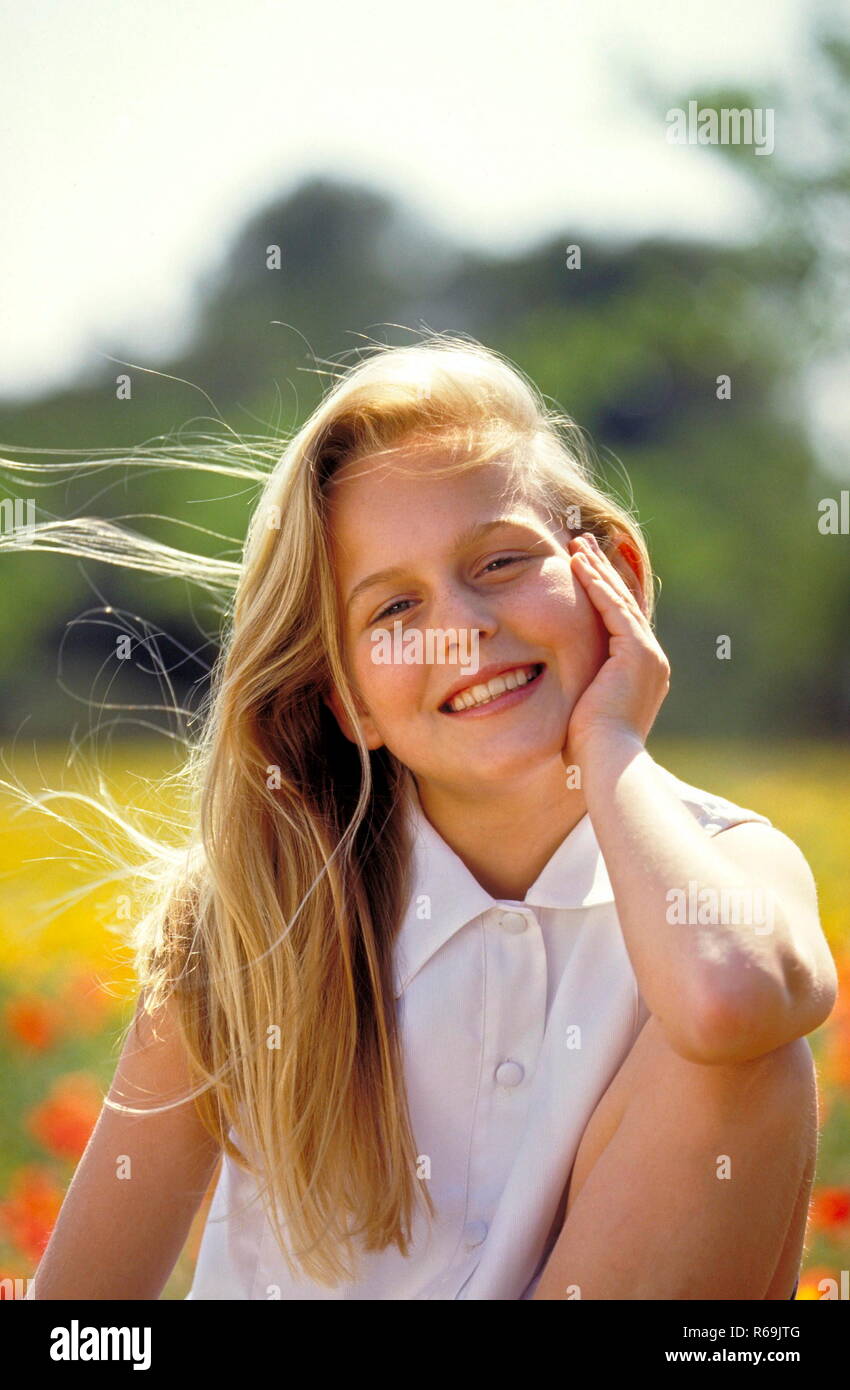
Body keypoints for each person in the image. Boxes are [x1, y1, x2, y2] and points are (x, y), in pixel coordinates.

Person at [22, 336, 835, 1299]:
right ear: (347, 700)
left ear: (612, 572)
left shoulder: (730, 864)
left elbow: (732, 1001)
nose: (462, 626)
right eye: (394, 609)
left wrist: (611, 744)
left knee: (747, 1064)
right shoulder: (254, 914)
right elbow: (79, 1311)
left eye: (499, 560)